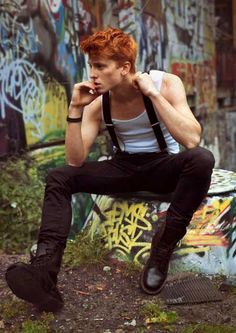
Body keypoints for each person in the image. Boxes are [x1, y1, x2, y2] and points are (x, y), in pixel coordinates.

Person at [5, 27, 215, 312]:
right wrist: (75, 108)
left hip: (164, 165)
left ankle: (162, 249)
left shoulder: (166, 84)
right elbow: (75, 161)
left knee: (202, 159)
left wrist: (153, 95)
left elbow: (191, 139)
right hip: (123, 167)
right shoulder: (98, 103)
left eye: (100, 66)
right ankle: (44, 272)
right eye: (91, 65)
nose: (92, 73)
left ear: (125, 67)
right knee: (59, 177)